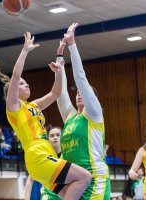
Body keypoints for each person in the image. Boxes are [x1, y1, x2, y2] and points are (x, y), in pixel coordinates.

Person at [0, 32, 91, 199]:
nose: (26, 83)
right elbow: (14, 76)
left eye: (25, 82)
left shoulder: (33, 105)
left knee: (68, 193)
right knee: (85, 177)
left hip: (45, 153)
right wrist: (25, 51)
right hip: (37, 155)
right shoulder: (14, 107)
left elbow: (55, 93)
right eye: (21, 84)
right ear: (11, 93)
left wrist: (58, 72)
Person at [55, 23, 110, 199]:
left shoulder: (94, 114)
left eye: (82, 91)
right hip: (73, 180)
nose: (79, 93)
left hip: (94, 178)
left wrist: (72, 45)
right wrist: (59, 60)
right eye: (77, 92)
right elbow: (60, 93)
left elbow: (80, 78)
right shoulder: (71, 117)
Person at [25, 127, 63, 200]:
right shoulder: (43, 156)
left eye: (58, 135)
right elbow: (30, 180)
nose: (55, 137)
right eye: (52, 135)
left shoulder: (68, 155)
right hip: (47, 197)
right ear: (48, 139)